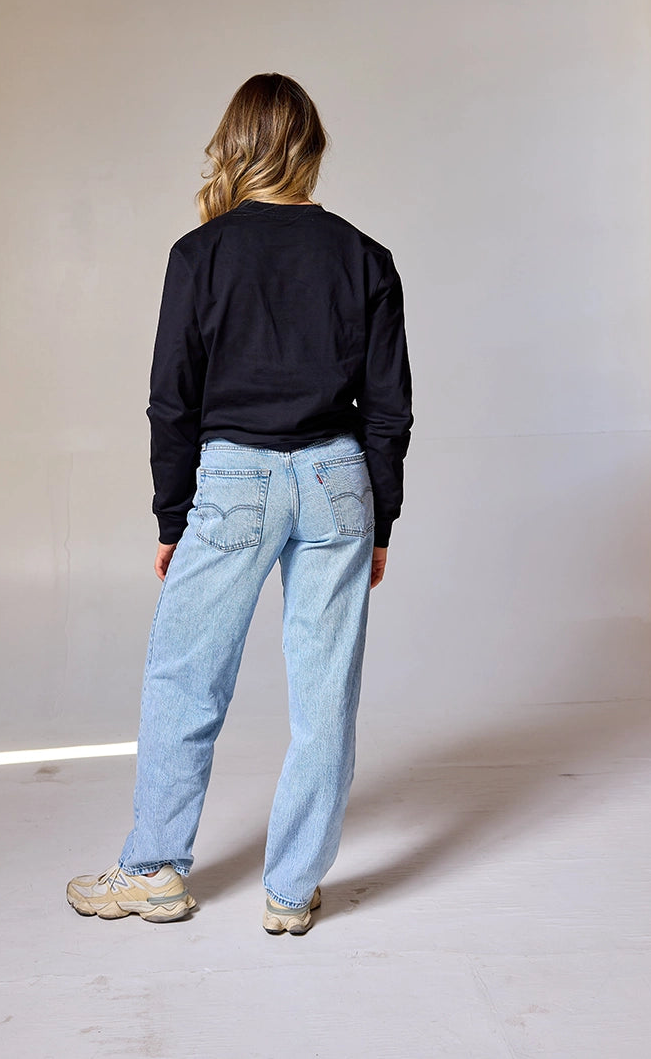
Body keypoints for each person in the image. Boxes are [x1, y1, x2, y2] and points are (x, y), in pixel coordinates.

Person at [67, 72, 413, 935]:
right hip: (338, 483)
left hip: (233, 484)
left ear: (236, 146)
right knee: (325, 695)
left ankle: (154, 872)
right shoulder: (364, 257)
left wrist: (172, 516)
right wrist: (381, 518)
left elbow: (171, 402)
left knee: (186, 680)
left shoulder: (201, 254)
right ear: (311, 149)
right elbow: (390, 409)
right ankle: (291, 892)